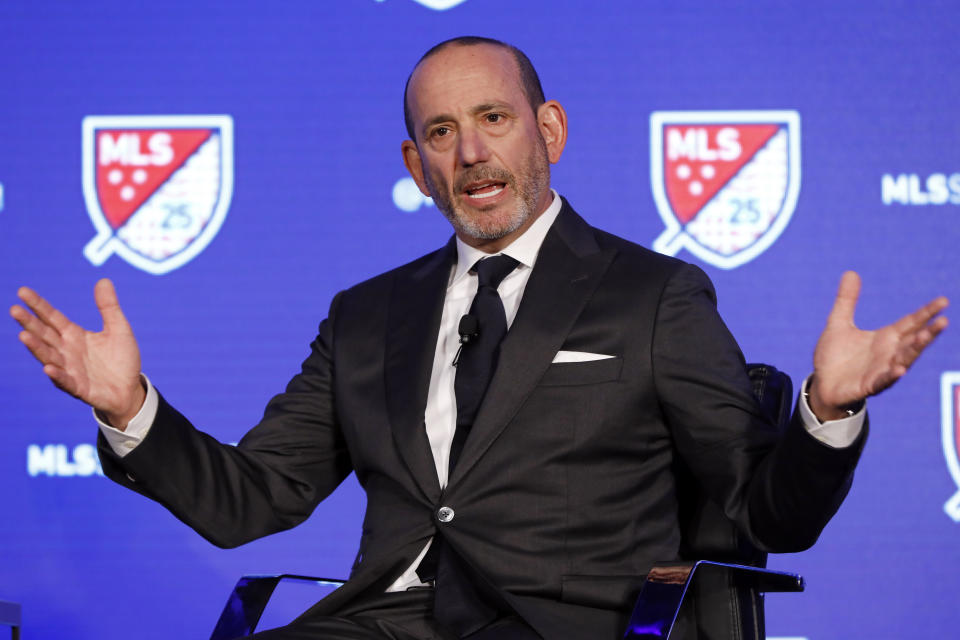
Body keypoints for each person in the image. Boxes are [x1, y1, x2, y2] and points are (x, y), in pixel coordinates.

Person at [10, 36, 949, 640]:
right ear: (417, 167)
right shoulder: (366, 315)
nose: (471, 153)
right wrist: (130, 410)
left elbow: (760, 515)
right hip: (381, 622)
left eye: (493, 120)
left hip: (566, 625)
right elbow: (252, 501)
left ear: (549, 130)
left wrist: (830, 411)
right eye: (442, 133)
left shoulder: (654, 294)